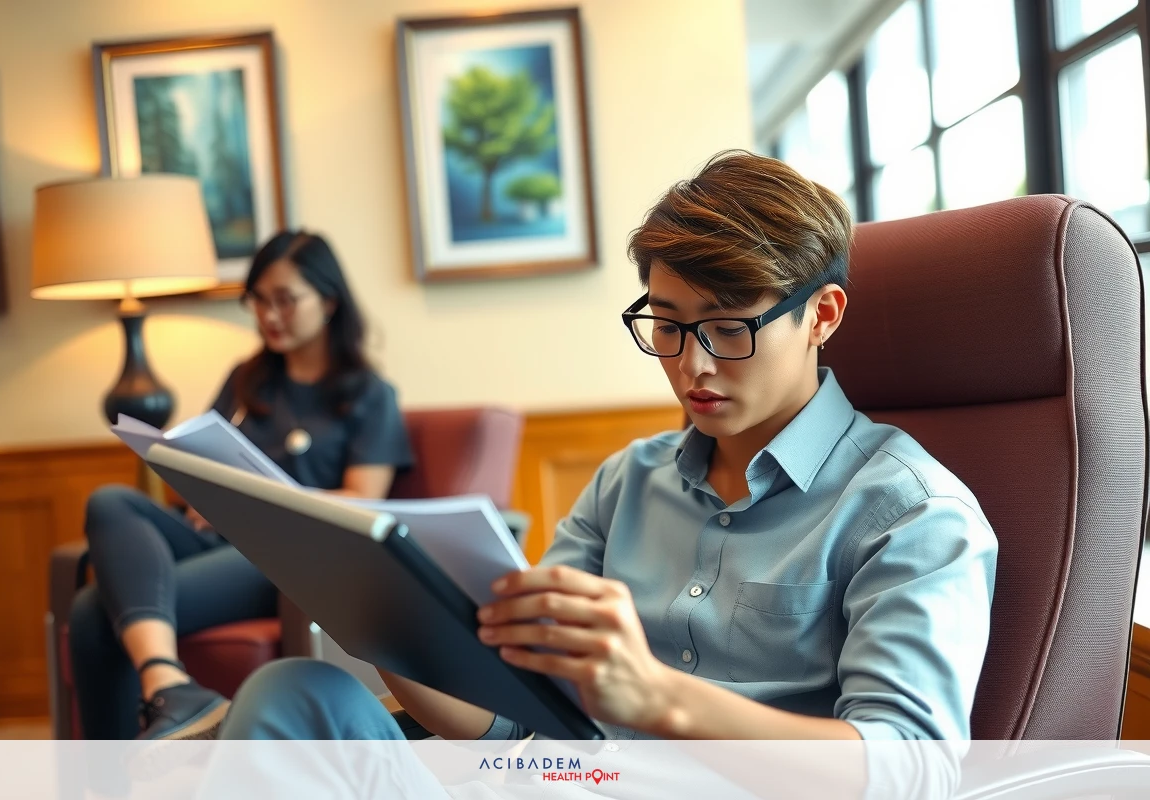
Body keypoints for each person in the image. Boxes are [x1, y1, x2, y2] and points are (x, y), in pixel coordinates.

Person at [216, 152, 998, 752]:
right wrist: (377, 618)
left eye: (730, 327)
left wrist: (657, 699)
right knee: (294, 694)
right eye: (666, 324)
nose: (691, 365)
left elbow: (910, 767)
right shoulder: (628, 480)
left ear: (822, 315)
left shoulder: (912, 516)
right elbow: (502, 719)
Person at [69, 230, 415, 741]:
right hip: (213, 537)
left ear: (328, 301)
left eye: (284, 300)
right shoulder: (247, 380)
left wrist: (255, 502)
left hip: (280, 556)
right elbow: (198, 460)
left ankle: (117, 771)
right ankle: (169, 687)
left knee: (93, 611)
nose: (268, 316)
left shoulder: (368, 394)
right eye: (258, 300)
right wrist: (199, 486)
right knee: (110, 501)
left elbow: (360, 500)